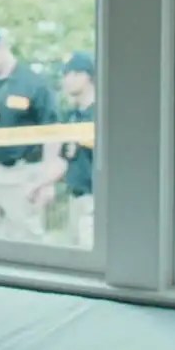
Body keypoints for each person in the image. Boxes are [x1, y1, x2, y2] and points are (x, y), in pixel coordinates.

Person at [0, 27, 62, 242]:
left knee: (25, 239)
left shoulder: (34, 84)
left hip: (23, 172)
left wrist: (46, 181)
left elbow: (52, 133)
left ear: (0, 47)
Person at [53, 51, 99, 249]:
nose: (66, 80)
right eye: (64, 75)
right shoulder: (72, 116)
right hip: (76, 197)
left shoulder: (101, 113)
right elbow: (65, 158)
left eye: (71, 74)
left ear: (86, 76)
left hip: (95, 198)